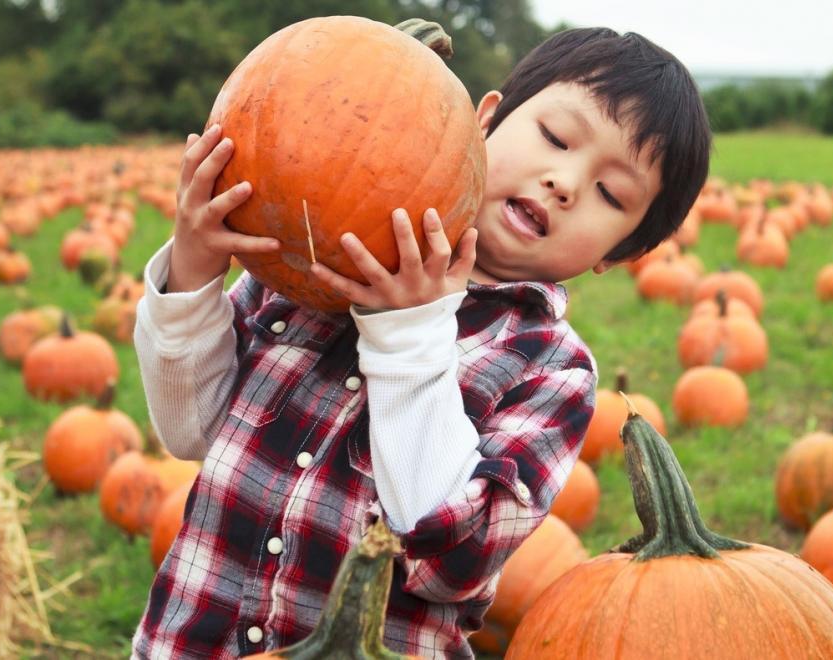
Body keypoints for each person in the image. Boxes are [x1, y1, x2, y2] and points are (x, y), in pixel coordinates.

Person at [130, 24, 711, 659]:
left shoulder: (551, 372)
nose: (564, 182)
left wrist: (406, 337)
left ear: (620, 253)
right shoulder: (312, 261)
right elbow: (191, 428)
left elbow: (452, 560)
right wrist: (192, 273)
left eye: (610, 193)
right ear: (480, 122)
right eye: (555, 137)